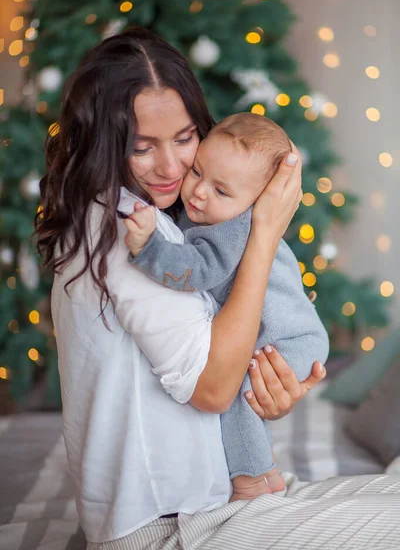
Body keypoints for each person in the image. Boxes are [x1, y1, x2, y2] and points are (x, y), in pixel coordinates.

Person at [35, 27, 400, 550]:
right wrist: (265, 232)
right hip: (170, 526)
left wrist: (264, 387)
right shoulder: (127, 225)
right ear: (104, 144)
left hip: (210, 501)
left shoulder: (159, 217)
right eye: (142, 148)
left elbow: (228, 362)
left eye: (184, 139)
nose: (171, 168)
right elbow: (212, 389)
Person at [123, 111, 329, 501]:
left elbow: (199, 270)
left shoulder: (234, 228)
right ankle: (265, 473)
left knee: (238, 390)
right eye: (198, 172)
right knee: (241, 388)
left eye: (221, 191)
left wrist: (149, 249)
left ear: (257, 201)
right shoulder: (211, 213)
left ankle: (253, 477)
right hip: (279, 335)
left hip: (291, 339)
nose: (198, 192)